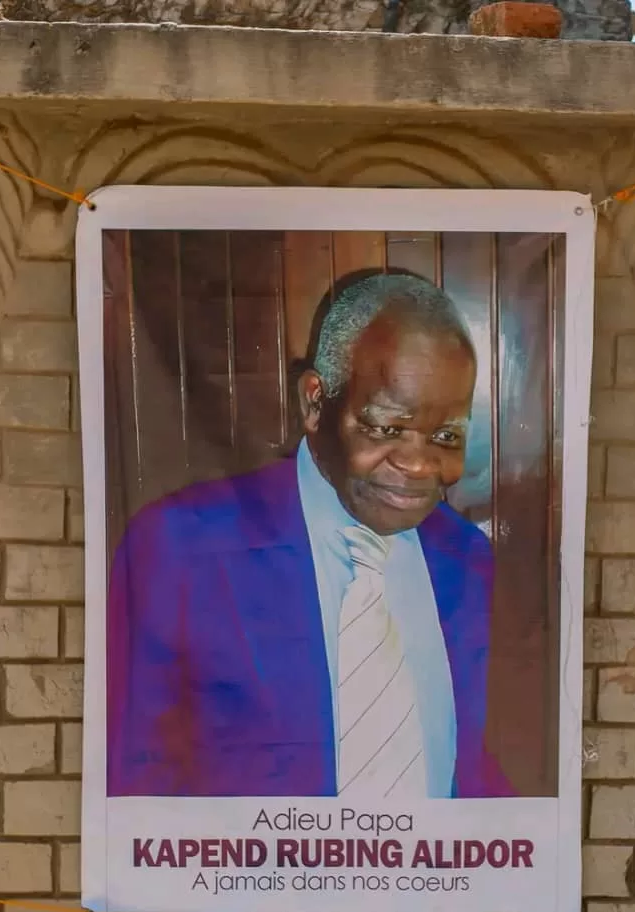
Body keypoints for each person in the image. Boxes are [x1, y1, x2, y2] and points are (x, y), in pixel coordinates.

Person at [107, 273, 514, 800]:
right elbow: (133, 786)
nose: (419, 465)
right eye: (387, 428)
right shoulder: (181, 548)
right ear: (315, 402)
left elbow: (463, 761)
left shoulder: (465, 559)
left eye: (445, 436)